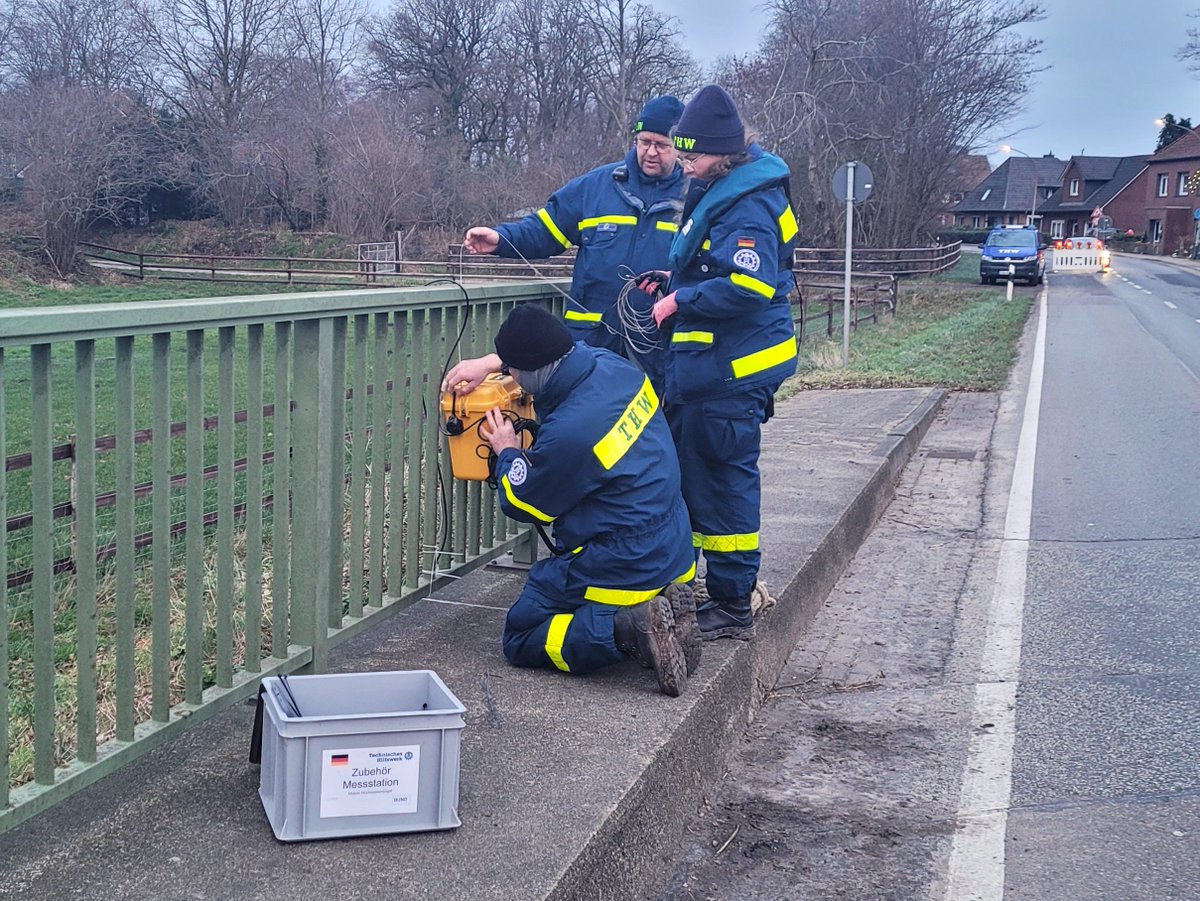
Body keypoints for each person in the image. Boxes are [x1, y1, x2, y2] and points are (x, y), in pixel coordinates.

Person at [441, 303, 700, 696]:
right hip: (675, 544)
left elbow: (525, 502)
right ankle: (661, 603)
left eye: (512, 372)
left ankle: (628, 628)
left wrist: (508, 451)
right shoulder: (612, 367)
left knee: (522, 633)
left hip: (624, 560)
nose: (509, 379)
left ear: (530, 371)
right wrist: (494, 362)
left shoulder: (572, 433)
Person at [651, 84, 799, 641]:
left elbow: (748, 284)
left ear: (723, 151)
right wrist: (675, 279)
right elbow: (721, 266)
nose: (685, 167)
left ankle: (732, 603)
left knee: (722, 481)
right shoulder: (733, 185)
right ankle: (717, 592)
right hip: (719, 368)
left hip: (732, 372)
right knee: (707, 474)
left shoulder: (749, 200)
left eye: (692, 157)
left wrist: (679, 301)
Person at [460, 96, 686, 395]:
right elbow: (544, 230)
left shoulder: (694, 198)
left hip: (656, 351)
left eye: (662, 145)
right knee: (586, 432)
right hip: (589, 347)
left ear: (679, 147)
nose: (651, 152)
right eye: (644, 142)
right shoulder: (595, 188)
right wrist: (500, 239)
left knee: (650, 434)